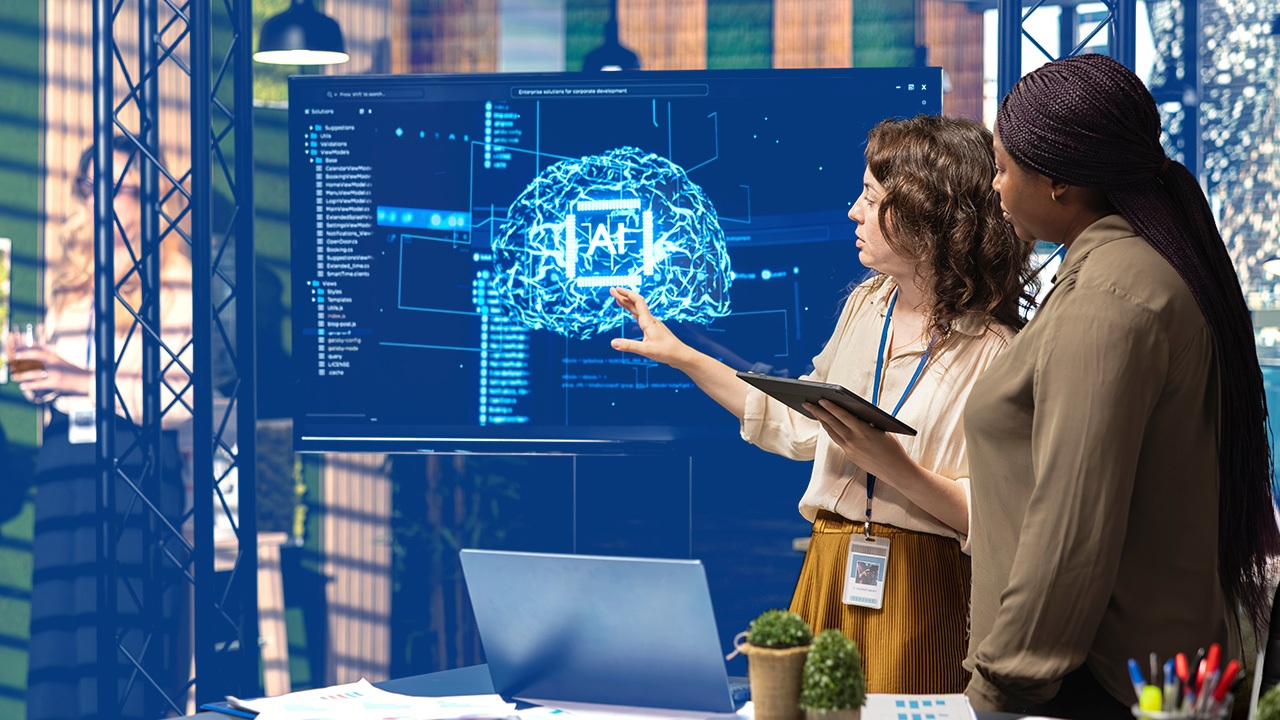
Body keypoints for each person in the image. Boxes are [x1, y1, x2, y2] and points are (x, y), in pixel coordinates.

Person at [610, 115, 1034, 693]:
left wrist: (891, 465)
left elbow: (995, 517)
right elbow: (798, 427)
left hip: (921, 583)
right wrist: (683, 355)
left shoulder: (997, 353)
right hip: (829, 561)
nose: (854, 213)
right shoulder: (867, 305)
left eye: (869, 197)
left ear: (924, 216)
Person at [963, 53, 1280, 719]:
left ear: (1057, 181)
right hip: (1121, 675)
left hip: (1084, 685)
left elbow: (1072, 526)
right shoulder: (1130, 269)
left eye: (1002, 166)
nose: (993, 186)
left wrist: (1001, 688)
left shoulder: (1111, 297)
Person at [10, 135, 194, 720]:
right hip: (66, 472)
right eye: (95, 191)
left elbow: (180, 401)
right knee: (62, 654)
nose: (109, 206)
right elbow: (65, 385)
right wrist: (36, 371)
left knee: (126, 658)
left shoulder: (178, 283)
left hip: (136, 477)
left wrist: (81, 379)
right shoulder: (71, 283)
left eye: (127, 191)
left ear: (152, 200)